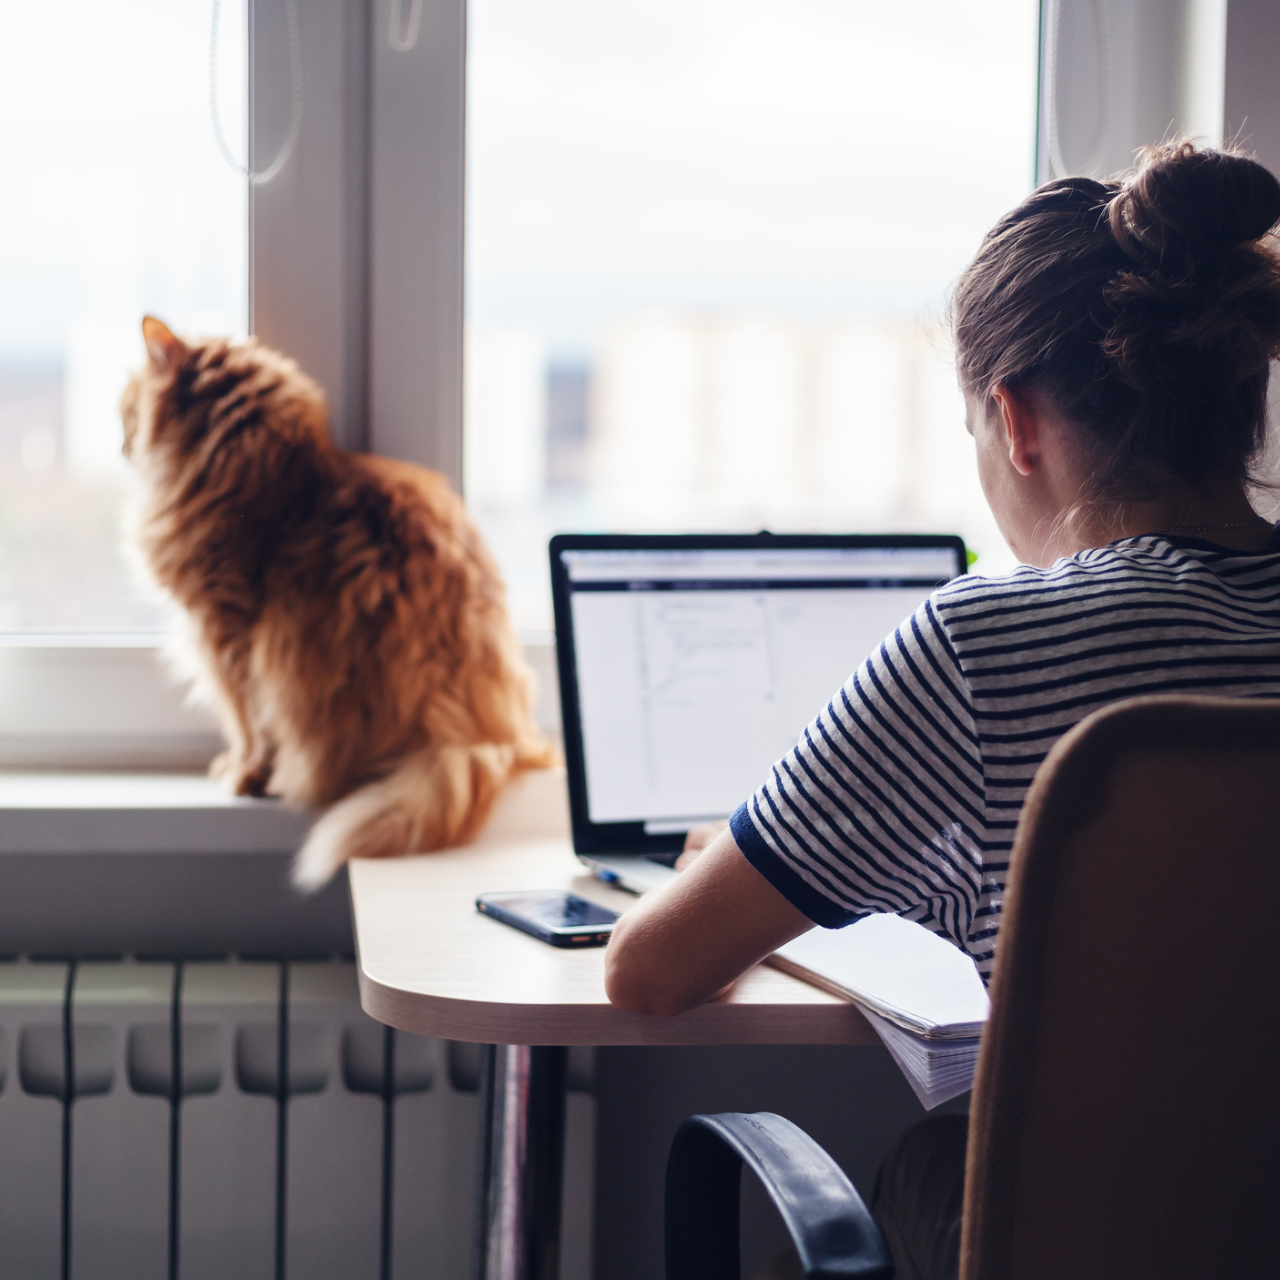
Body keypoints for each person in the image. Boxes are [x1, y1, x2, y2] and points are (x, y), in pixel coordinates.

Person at [604, 140, 1280, 1280]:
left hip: (1098, 1246)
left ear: (1012, 422)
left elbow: (650, 968)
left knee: (930, 1157)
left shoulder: (981, 646)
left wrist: (742, 860)